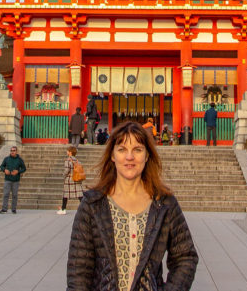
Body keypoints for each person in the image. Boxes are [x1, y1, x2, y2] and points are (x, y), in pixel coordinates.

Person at [67, 121, 198, 291]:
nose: (130, 157)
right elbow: (79, 270)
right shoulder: (93, 204)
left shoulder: (164, 204)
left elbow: (185, 256)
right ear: (112, 155)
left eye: (137, 149)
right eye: (122, 149)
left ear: (147, 155)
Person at [0, 145, 26, 214]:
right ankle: (4, 209)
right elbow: (1, 166)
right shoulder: (6, 159)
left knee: (14, 195)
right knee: (6, 194)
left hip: (16, 180)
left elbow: (24, 168)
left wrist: (18, 171)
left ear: (16, 151)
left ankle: (13, 209)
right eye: (11, 151)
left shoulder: (19, 160)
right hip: (7, 179)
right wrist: (4, 170)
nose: (12, 152)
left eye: (14, 151)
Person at [59, 145, 84, 215]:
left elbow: (67, 170)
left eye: (68, 151)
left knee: (65, 195)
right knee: (79, 195)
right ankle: (85, 208)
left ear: (70, 152)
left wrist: (63, 175)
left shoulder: (68, 160)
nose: (67, 152)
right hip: (77, 178)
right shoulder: (77, 160)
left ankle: (63, 209)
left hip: (70, 179)